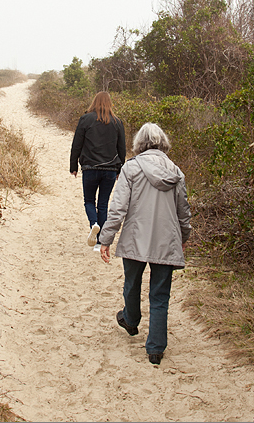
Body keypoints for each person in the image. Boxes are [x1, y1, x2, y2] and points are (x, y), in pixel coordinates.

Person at [97, 122, 191, 365]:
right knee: (160, 295)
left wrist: (105, 239)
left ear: (139, 143)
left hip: (135, 238)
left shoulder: (131, 168)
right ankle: (156, 349)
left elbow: (117, 209)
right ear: (163, 143)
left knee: (132, 283)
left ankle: (130, 319)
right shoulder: (176, 172)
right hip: (166, 240)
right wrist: (183, 236)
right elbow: (184, 212)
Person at [70, 91, 126, 252]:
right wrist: (119, 169)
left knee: (89, 201)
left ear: (94, 102)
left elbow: (77, 145)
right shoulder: (117, 122)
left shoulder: (85, 119)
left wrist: (73, 166)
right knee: (103, 204)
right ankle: (100, 243)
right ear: (110, 103)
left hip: (90, 168)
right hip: (109, 169)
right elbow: (121, 148)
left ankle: (93, 224)